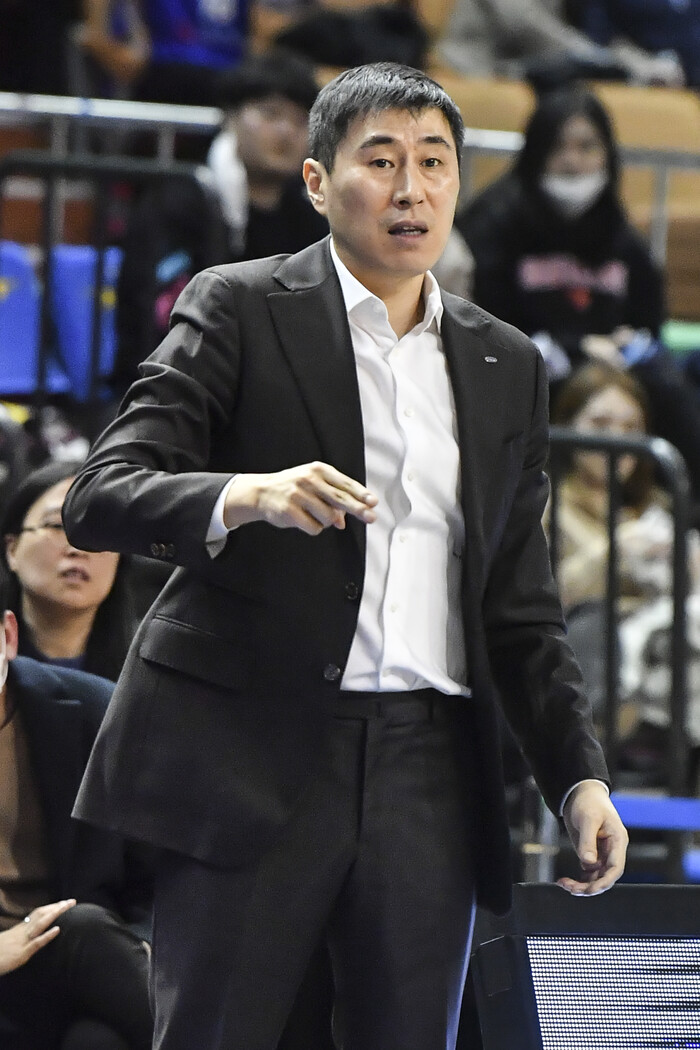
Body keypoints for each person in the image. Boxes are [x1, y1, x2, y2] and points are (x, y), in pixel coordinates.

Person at [63, 62, 627, 1050]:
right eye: (381, 161)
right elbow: (100, 494)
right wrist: (244, 496)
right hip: (253, 748)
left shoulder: (505, 361)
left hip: (430, 769)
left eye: (434, 162)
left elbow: (520, 609)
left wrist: (578, 779)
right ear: (319, 183)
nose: (411, 189)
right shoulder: (238, 305)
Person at [457, 86, 700, 506]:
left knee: (666, 384)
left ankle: (683, 513)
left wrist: (629, 344)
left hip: (608, 369)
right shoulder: (494, 223)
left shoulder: (617, 229)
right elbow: (481, 323)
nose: (573, 161)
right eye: (559, 147)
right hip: (523, 367)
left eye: (587, 147)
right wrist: (577, 346)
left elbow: (647, 317)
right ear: (536, 152)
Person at [113, 50, 328, 394]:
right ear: (231, 118)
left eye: (301, 121)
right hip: (175, 391)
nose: (286, 131)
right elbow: (157, 319)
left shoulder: (312, 219)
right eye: (270, 113)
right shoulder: (180, 204)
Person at [0, 580, 152, 1050]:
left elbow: (156, 875)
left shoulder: (95, 711)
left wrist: (140, 946)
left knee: (97, 1039)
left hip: (72, 959)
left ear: (8, 637)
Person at [1, 460, 137, 681]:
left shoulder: (147, 677)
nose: (78, 549)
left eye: (100, 534)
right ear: (12, 549)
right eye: (56, 526)